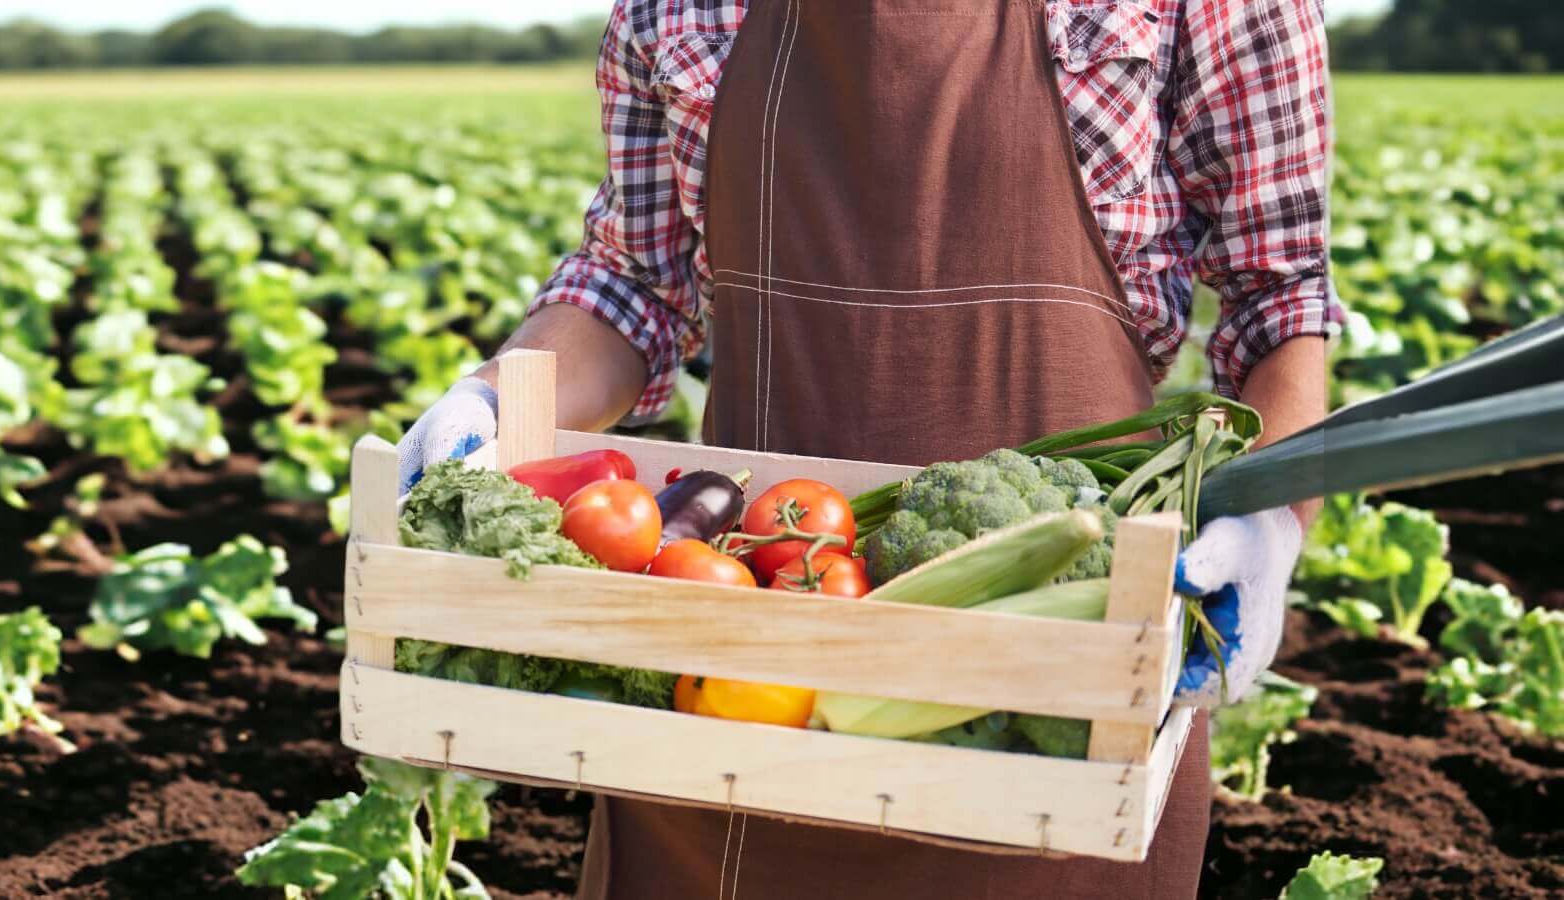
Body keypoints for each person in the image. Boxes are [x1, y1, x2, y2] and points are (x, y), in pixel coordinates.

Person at [396, 0, 1336, 895]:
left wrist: (1269, 521)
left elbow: (1280, 300)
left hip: (1058, 692)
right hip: (738, 664)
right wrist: (498, 395)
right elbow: (633, 284)